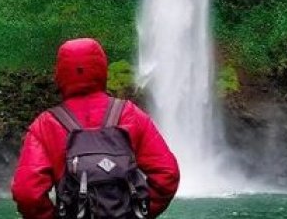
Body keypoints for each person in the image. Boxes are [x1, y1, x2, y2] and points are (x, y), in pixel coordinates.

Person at [11, 38, 180, 219]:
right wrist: (139, 211)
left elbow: (27, 193)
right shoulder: (131, 114)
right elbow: (167, 174)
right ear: (101, 69)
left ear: (59, 74)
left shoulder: (45, 125)